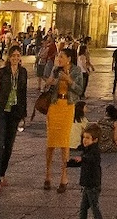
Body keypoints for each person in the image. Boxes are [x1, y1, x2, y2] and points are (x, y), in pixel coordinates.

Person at [0, 45, 29, 192]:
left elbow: (23, 93)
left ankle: (2, 174)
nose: (15, 58)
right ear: (9, 57)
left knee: (9, 146)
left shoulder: (23, 72)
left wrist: (23, 114)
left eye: (18, 55)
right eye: (13, 55)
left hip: (15, 112)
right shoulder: (2, 72)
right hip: (1, 111)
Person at [44, 50, 78, 192]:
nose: (59, 59)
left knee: (64, 142)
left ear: (69, 59)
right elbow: (48, 84)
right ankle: (48, 175)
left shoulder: (76, 71)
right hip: (54, 105)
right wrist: (50, 82)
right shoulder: (55, 69)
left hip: (67, 106)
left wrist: (69, 80)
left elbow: (80, 89)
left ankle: (64, 176)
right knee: (51, 142)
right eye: (58, 56)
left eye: (61, 57)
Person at [74, 124, 103, 219]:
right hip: (87, 184)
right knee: (83, 207)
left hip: (92, 185)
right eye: (84, 137)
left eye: (87, 138)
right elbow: (82, 162)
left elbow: (90, 159)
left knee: (94, 207)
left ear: (95, 140)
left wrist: (82, 159)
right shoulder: (87, 150)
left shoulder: (94, 151)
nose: (84, 140)